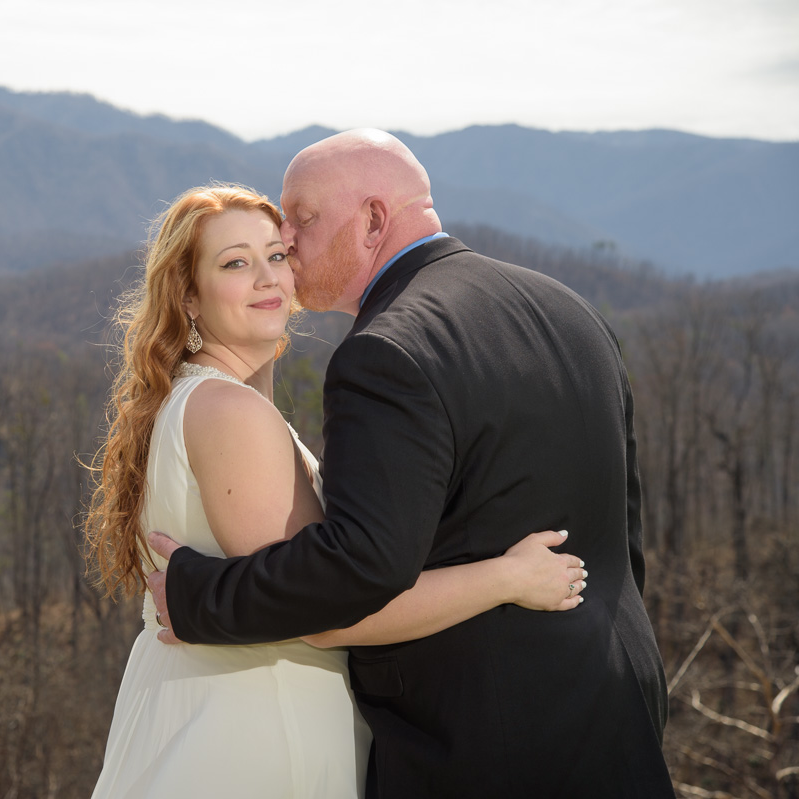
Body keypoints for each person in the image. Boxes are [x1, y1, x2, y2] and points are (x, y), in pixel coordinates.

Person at [148, 132, 675, 798]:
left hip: (477, 747)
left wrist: (200, 595)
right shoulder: (572, 313)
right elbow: (623, 537)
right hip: (620, 714)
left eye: (303, 217)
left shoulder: (388, 350)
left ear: (372, 220)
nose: (287, 237)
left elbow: (357, 569)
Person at [84, 183, 589, 799]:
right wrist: (507, 579)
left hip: (218, 705)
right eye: (235, 263)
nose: (268, 277)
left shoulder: (201, 399)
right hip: (254, 728)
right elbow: (323, 608)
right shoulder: (228, 412)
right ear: (188, 296)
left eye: (276, 255)